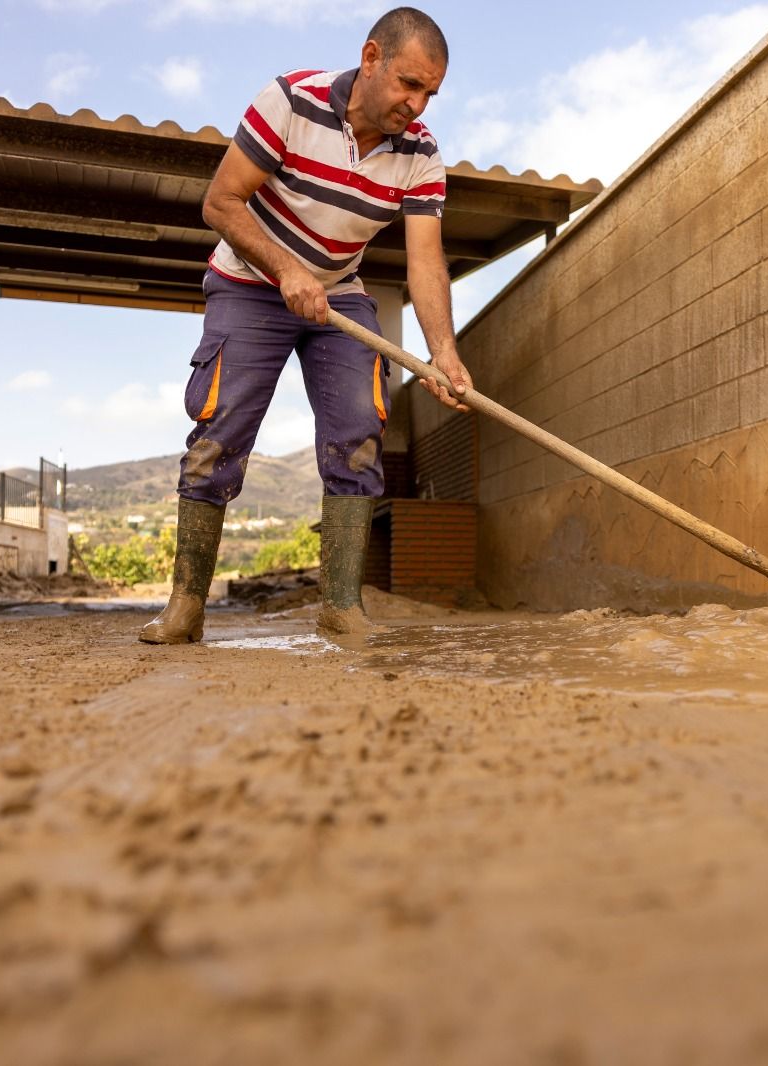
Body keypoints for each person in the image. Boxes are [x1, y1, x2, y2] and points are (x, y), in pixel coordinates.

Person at [140, 7, 471, 645]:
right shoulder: (291, 101)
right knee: (221, 426)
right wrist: (287, 270)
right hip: (248, 282)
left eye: (429, 92)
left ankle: (341, 608)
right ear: (371, 57)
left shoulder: (422, 153)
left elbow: (427, 259)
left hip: (337, 295)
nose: (417, 103)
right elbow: (220, 201)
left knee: (358, 430)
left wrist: (443, 353)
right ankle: (186, 608)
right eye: (409, 83)